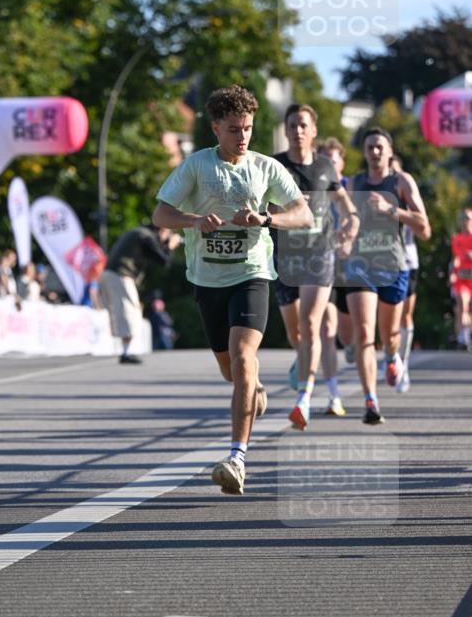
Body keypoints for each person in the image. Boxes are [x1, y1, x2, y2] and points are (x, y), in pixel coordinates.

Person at [152, 84, 312, 495]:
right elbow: (160, 214)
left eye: (248, 129)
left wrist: (265, 220)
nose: (242, 137)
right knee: (232, 371)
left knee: (243, 357)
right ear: (215, 128)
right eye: (234, 129)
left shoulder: (264, 167)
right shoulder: (197, 166)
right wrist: (193, 220)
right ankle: (252, 389)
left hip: (252, 274)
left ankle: (237, 457)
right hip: (207, 281)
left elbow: (303, 213)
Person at [271, 107, 359, 430]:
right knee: (296, 333)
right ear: (286, 129)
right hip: (284, 258)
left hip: (319, 255)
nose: (297, 131)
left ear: (313, 131)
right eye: (291, 125)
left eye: (302, 125)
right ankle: (305, 362)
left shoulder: (325, 168)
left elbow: (347, 208)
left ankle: (303, 399)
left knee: (310, 324)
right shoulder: (274, 165)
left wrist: (350, 226)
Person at [344, 128, 431, 424]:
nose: (375, 152)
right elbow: (343, 218)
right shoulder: (355, 183)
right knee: (364, 333)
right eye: (370, 147)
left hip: (394, 266)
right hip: (360, 266)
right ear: (365, 151)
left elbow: (425, 227)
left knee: (389, 336)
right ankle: (371, 400)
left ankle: (393, 357)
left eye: (380, 146)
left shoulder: (402, 182)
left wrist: (392, 209)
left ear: (390, 151)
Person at [99, 223, 182, 364]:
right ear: (162, 230)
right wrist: (171, 246)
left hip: (111, 275)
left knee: (125, 311)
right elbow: (164, 260)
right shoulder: (146, 236)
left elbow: (156, 256)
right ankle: (126, 353)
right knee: (130, 312)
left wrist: (166, 245)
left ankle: (126, 351)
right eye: (169, 233)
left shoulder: (139, 233)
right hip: (120, 275)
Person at [317, 137, 355, 415]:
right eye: (325, 159)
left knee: (347, 332)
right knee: (327, 330)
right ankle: (333, 395)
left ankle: (353, 345)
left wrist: (349, 239)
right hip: (322, 264)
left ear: (341, 162)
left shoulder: (352, 188)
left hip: (351, 267)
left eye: (334, 159)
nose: (330, 163)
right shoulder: (315, 189)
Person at [390, 155, 419, 391]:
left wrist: (396, 211)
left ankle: (404, 364)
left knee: (405, 316)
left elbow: (421, 225)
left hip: (407, 260)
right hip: (379, 262)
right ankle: (391, 357)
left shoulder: (406, 192)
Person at [450, 207, 472, 351]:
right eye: (463, 218)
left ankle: (466, 334)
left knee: (469, 311)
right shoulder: (456, 239)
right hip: (461, 280)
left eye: (468, 218)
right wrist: (452, 271)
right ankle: (463, 339)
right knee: (462, 307)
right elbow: (455, 259)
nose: (465, 222)